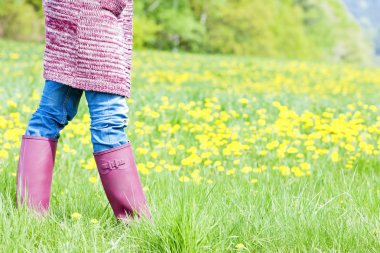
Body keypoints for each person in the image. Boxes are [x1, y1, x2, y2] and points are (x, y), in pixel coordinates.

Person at [15, 0, 152, 221]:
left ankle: (29, 217)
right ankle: (136, 224)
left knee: (48, 117)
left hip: (67, 15)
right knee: (109, 123)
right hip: (94, 19)